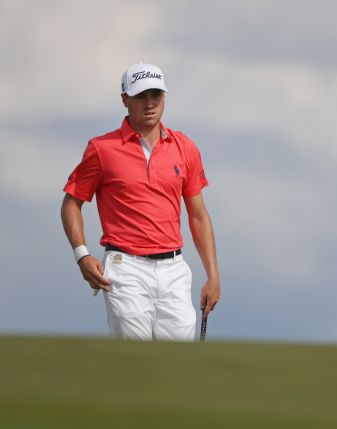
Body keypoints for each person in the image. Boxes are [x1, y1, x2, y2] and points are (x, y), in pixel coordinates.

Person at [61, 63, 221, 341]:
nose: (150, 104)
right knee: (135, 358)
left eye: (156, 95)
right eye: (140, 96)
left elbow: (198, 216)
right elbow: (71, 203)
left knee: (178, 363)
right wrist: (82, 255)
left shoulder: (185, 147)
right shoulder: (102, 148)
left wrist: (212, 274)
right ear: (125, 99)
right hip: (125, 267)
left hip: (174, 269)